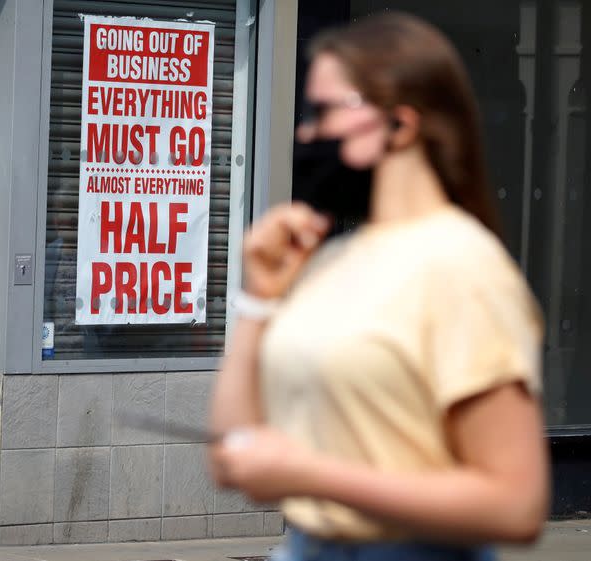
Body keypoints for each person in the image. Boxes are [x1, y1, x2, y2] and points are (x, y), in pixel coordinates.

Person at [209, 12, 548, 561]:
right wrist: (257, 299)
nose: (306, 133)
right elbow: (232, 450)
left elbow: (515, 503)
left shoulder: (463, 269)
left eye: (323, 111)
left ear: (402, 125)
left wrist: (310, 474)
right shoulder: (330, 260)